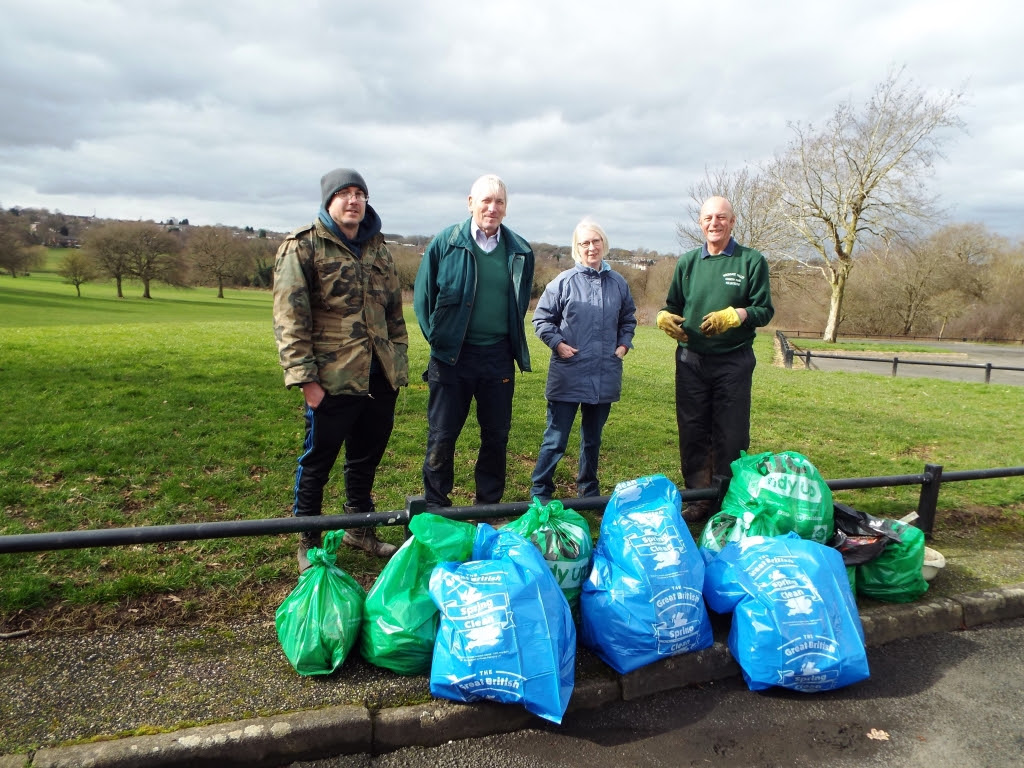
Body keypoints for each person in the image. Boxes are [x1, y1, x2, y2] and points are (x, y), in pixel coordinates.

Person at [273, 168, 409, 569]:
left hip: (378, 378)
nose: (354, 201)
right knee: (318, 462)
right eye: (344, 193)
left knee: (365, 459)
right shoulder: (303, 246)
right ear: (329, 200)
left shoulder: (379, 249)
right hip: (331, 379)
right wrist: (305, 380)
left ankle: (358, 527)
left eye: (360, 194)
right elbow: (290, 318)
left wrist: (397, 364)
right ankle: (308, 540)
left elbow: (394, 314)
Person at [413, 174, 535, 509]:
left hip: (497, 357)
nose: (492, 208)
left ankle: (488, 507)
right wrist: (441, 341)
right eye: (486, 200)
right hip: (451, 357)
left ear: (506, 208)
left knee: (496, 436)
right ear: (471, 203)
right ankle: (437, 507)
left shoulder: (521, 250)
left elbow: (519, 302)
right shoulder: (446, 243)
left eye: (499, 202)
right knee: (442, 435)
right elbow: (423, 300)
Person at [657, 196, 774, 523]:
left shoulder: (751, 261)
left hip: (733, 361)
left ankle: (727, 500)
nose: (714, 223)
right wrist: (664, 317)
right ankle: (698, 499)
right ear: (700, 222)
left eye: (721, 217)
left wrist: (738, 315)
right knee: (693, 430)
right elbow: (673, 304)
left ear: (732, 221)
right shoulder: (688, 263)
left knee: (730, 433)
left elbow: (764, 310)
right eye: (708, 217)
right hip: (691, 361)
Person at [530, 219, 636, 503]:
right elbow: (541, 320)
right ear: (577, 247)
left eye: (595, 241)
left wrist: (623, 345)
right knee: (555, 439)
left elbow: (628, 318)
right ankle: (541, 491)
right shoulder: (563, 282)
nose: (591, 247)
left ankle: (588, 490)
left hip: (604, 373)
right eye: (585, 243)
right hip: (568, 372)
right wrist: (558, 344)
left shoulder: (618, 283)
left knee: (593, 439)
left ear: (604, 243)